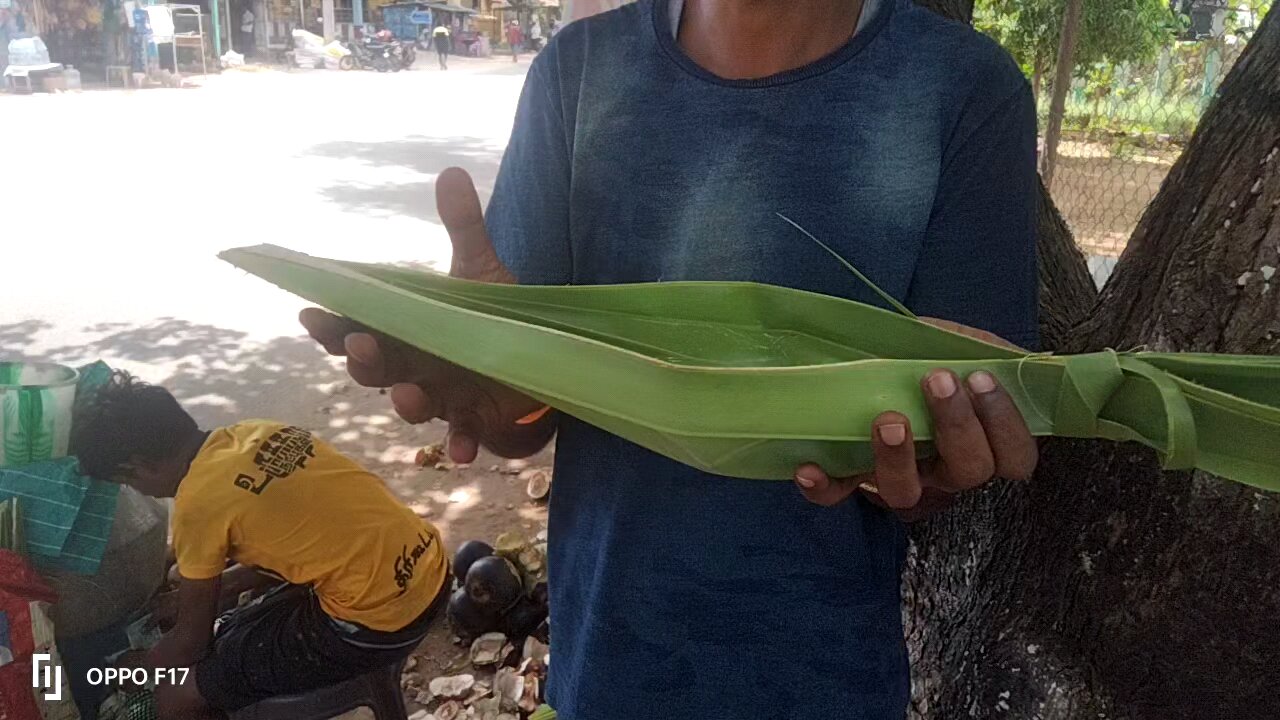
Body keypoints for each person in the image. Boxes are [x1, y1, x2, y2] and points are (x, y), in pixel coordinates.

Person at [300, 0, 1040, 717]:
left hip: (821, 677)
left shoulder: (963, 91)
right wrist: (492, 381)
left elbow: (953, 435)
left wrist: (921, 473)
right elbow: (525, 418)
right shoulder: (579, 74)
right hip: (604, 667)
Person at [72, 372, 449, 720]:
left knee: (178, 695)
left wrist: (137, 665)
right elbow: (299, 537)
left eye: (129, 484)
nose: (140, 492)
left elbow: (189, 644)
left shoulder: (196, 504)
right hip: (431, 568)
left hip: (382, 623)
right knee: (238, 624)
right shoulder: (257, 432)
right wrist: (227, 586)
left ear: (138, 467)